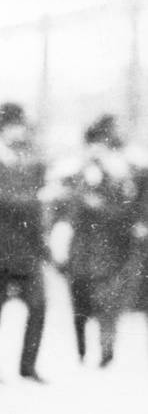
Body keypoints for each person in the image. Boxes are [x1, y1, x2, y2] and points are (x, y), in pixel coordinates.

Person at [55, 114, 138, 366]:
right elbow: (67, 206)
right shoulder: (77, 171)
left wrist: (101, 205)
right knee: (80, 298)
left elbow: (125, 209)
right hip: (82, 244)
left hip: (109, 245)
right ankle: (81, 349)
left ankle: (106, 348)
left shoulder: (122, 172)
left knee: (108, 298)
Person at [0, 103, 48, 382]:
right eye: (12, 126)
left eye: (21, 125)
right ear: (1, 131)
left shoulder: (30, 162)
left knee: (39, 305)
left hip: (27, 249)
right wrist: (33, 200)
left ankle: (27, 367)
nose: (18, 131)